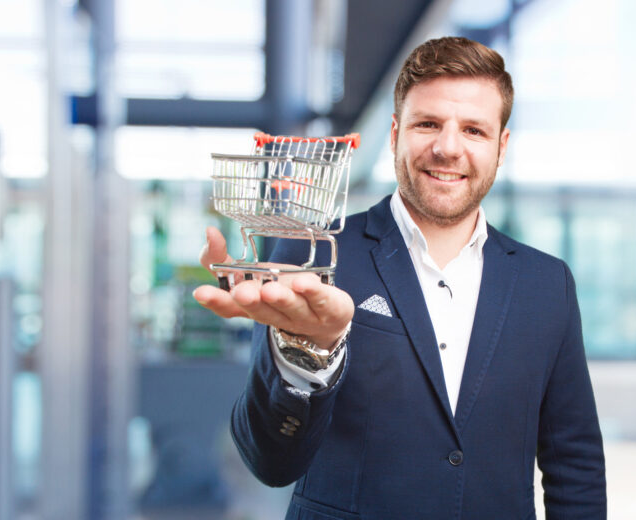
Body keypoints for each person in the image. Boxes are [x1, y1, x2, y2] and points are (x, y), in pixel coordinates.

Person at [194, 36, 606, 519]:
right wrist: (307, 352)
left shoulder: (546, 285)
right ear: (394, 135)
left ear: (502, 146)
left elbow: (575, 465)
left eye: (473, 130)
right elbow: (269, 460)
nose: (447, 148)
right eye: (427, 124)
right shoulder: (312, 260)